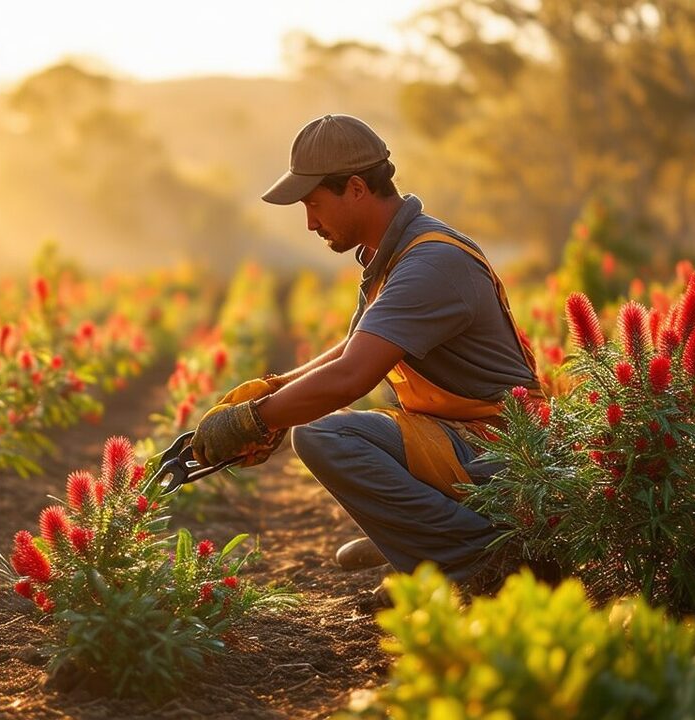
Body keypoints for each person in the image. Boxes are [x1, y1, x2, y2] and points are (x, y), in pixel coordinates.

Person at [191, 113, 545, 598]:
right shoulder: (389, 254)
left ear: (356, 188)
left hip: (506, 454)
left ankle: (478, 559)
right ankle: (425, 546)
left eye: (315, 204)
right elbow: (353, 346)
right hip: (458, 437)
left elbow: (351, 376)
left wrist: (253, 421)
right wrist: (275, 393)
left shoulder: (431, 262)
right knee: (327, 430)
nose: (311, 222)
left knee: (322, 438)